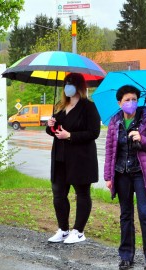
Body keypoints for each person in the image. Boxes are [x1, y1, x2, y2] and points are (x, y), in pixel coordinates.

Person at [104, 85, 146, 270]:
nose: (131, 103)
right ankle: (125, 257)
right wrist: (108, 176)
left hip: (142, 173)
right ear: (119, 103)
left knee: (145, 214)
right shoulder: (115, 122)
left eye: (133, 99)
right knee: (125, 215)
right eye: (127, 100)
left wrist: (142, 138)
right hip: (121, 173)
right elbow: (110, 150)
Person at [45, 73, 101, 244]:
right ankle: (63, 229)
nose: (68, 86)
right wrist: (50, 126)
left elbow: (94, 133)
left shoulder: (88, 107)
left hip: (80, 159)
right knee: (58, 194)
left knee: (82, 194)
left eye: (71, 83)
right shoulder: (61, 106)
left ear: (80, 87)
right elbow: (54, 132)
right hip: (60, 158)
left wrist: (70, 135)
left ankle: (78, 231)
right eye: (66, 83)